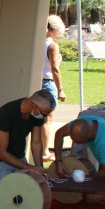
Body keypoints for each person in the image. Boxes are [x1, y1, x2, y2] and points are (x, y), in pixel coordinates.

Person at [0, 89, 56, 190]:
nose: (44, 117)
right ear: (35, 106)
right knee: (8, 195)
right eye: (44, 114)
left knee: (25, 191)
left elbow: (36, 143)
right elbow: (1, 153)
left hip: (18, 154)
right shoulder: (5, 113)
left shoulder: (36, 114)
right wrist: (29, 167)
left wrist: (40, 170)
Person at [40, 15, 66, 162]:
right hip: (48, 81)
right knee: (47, 119)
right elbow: (54, 68)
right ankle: (45, 151)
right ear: (55, 29)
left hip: (38, 81)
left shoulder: (38, 42)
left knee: (38, 119)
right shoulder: (52, 46)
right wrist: (60, 89)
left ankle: (40, 149)